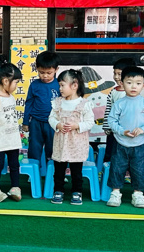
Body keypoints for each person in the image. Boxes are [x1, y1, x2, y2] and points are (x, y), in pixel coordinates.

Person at [105, 66, 144, 208]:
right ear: (122, 83)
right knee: (117, 168)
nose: (133, 86)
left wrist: (143, 129)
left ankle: (138, 195)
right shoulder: (119, 104)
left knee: (138, 170)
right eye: (129, 83)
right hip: (120, 143)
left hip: (139, 144)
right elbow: (111, 121)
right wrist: (122, 131)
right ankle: (115, 193)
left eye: (138, 83)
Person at [49, 68, 94, 205]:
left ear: (74, 86)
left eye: (62, 85)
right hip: (61, 143)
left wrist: (77, 126)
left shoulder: (84, 104)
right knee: (59, 170)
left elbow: (90, 122)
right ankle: (58, 190)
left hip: (76, 144)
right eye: (60, 85)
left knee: (76, 170)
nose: (60, 88)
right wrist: (57, 124)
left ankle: (77, 191)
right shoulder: (57, 102)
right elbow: (51, 118)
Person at [0, 63, 23, 203]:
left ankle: (15, 187)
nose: (16, 86)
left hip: (12, 138)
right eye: (16, 82)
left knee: (14, 164)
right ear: (5, 81)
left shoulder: (10, 96)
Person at [22, 51, 59, 167]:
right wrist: (25, 122)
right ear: (37, 68)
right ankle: (33, 171)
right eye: (42, 72)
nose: (45, 76)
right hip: (36, 122)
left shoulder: (59, 85)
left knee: (52, 148)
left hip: (53, 123)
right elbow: (29, 103)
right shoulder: (34, 85)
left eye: (49, 73)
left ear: (56, 69)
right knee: (34, 148)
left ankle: (52, 172)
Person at [102, 57, 134, 164]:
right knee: (110, 153)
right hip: (113, 130)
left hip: (127, 131)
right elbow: (108, 110)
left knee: (125, 154)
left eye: (119, 74)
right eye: (115, 73)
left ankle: (126, 171)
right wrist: (107, 126)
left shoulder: (132, 93)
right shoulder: (113, 91)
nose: (116, 77)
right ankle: (108, 170)